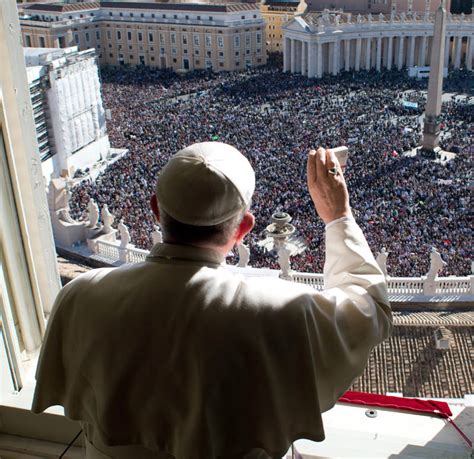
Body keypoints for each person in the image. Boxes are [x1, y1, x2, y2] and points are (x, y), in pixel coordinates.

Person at [32, 142, 392, 459]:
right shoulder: (285, 311)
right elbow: (369, 307)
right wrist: (337, 217)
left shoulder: (78, 296)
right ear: (243, 229)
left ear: (156, 209)